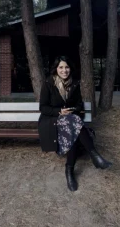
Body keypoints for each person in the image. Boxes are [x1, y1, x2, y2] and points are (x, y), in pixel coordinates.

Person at [38, 56, 112, 192]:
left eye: (67, 67)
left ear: (70, 69)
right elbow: (43, 108)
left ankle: (69, 170)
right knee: (74, 125)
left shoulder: (74, 84)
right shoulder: (48, 83)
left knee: (72, 127)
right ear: (56, 69)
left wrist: (72, 110)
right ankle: (95, 155)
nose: (64, 70)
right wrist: (59, 111)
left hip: (70, 120)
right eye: (61, 67)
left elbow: (79, 104)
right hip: (52, 120)